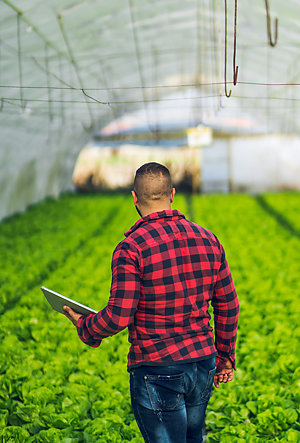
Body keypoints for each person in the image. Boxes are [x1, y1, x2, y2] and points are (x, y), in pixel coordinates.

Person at [63, 162, 239, 443]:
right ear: (172, 194)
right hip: (203, 363)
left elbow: (118, 317)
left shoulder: (131, 248)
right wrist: (225, 357)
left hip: (158, 367)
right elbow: (228, 304)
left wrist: (85, 326)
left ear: (134, 198)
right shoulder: (208, 239)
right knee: (195, 436)